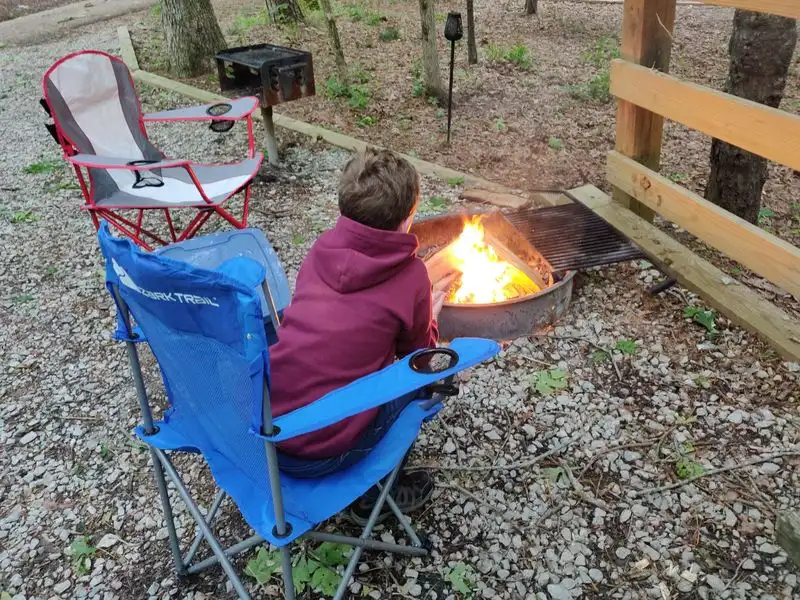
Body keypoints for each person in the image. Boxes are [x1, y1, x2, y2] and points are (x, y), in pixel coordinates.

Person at [269, 148, 452, 524]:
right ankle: (374, 494)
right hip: (328, 451)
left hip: (271, 435)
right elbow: (419, 356)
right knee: (427, 384)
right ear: (408, 217)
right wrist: (430, 315)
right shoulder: (411, 275)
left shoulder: (320, 249)